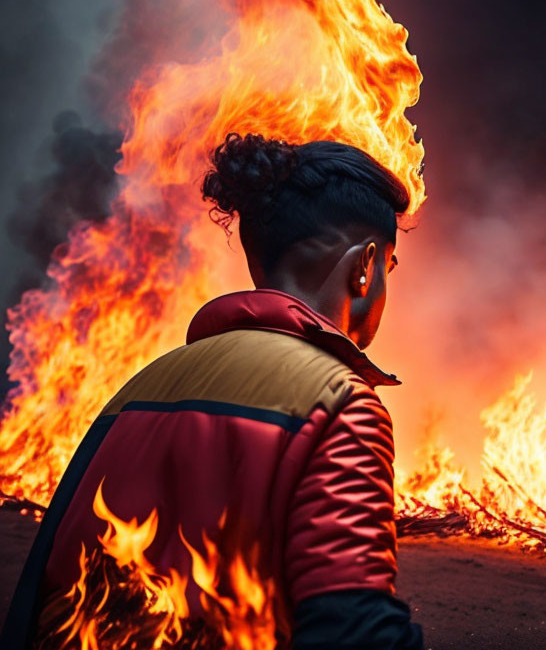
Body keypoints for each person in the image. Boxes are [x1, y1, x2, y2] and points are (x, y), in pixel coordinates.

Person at [1, 133, 423, 649]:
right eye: (390, 268)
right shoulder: (340, 403)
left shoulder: (138, 389)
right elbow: (354, 630)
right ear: (364, 267)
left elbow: (43, 590)